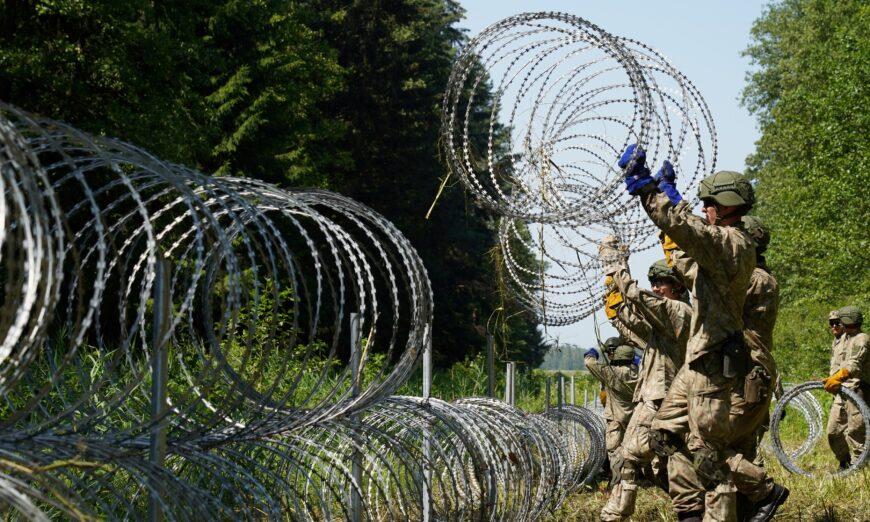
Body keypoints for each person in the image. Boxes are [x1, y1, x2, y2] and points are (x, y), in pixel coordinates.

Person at [620, 145, 786, 521]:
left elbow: (691, 232)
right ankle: (691, 509)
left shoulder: (732, 244)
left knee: (706, 449)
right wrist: (672, 200)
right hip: (699, 359)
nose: (705, 208)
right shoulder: (721, 248)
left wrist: (651, 193)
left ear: (725, 205)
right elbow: (686, 251)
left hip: (715, 361)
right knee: (664, 432)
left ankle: (760, 492)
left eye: (708, 202)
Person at [599, 250, 691, 521]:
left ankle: (616, 513)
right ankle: (696, 508)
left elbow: (639, 299)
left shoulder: (678, 311)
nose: (654, 288)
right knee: (666, 466)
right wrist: (614, 302)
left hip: (661, 400)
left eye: (659, 284)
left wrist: (617, 269)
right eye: (653, 284)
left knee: (629, 456)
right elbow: (634, 323)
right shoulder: (665, 320)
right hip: (662, 398)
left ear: (677, 286)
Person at [585, 341, 639, 484]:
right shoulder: (641, 373)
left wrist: (595, 351)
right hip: (635, 419)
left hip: (616, 419)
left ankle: (618, 483)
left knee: (615, 452)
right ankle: (636, 478)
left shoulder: (612, 373)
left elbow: (590, 363)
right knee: (634, 451)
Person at [823, 305, 869, 469]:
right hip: (841, 392)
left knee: (856, 432)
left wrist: (838, 377)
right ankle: (845, 463)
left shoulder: (862, 338)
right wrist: (831, 379)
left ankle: (860, 467)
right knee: (833, 431)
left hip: (857, 391)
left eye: (839, 322)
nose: (836, 325)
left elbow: (854, 364)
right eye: (833, 323)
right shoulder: (842, 339)